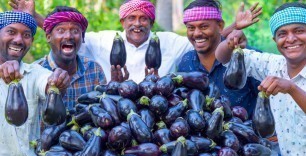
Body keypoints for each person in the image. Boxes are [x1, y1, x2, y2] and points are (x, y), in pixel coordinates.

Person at [9, 0, 262, 83]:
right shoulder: (104, 39)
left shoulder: (170, 41)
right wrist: (34, 16)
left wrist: (232, 28)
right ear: (122, 23)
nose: (137, 23)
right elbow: (66, 32)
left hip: (160, 113)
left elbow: (205, 36)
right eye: (131, 18)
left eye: (143, 18)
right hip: (114, 113)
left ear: (151, 22)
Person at [215, 2, 306, 156]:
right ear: (275, 40)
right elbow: (221, 57)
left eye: (299, 31)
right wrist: (232, 38)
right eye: (282, 34)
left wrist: (292, 89)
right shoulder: (272, 65)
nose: (291, 38)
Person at [0, 11, 70, 156]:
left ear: (31, 41)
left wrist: (58, 81)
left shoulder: (35, 72)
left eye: (26, 35)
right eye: (11, 32)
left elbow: (47, 82)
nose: (18, 40)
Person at [177, 0, 261, 116]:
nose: (196, 33)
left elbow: (271, 101)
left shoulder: (248, 58)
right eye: (191, 28)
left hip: (246, 132)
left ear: (220, 26)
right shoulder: (186, 62)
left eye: (204, 26)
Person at [36, 6, 106, 111]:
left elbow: (103, 110)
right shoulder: (36, 72)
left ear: (82, 38)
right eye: (61, 30)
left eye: (75, 31)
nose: (68, 36)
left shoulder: (94, 70)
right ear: (48, 37)